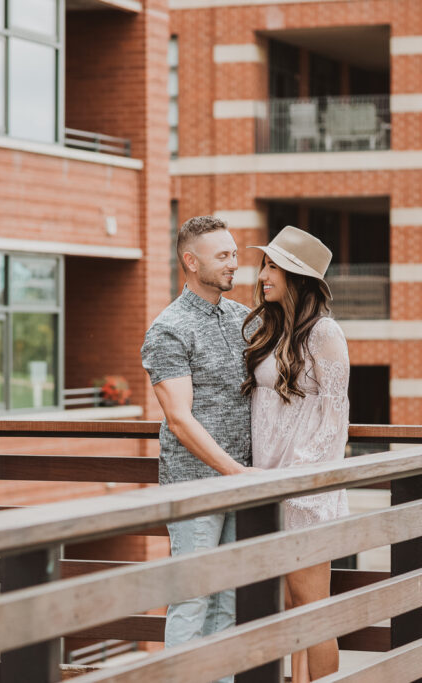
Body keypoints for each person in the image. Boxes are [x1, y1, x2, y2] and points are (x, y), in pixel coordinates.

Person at [140, 215, 258, 681]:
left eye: (234, 254)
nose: (234, 264)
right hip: (195, 485)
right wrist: (235, 471)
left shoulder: (242, 317)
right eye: (222, 256)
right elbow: (179, 418)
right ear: (191, 262)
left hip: (241, 481)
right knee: (192, 598)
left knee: (228, 598)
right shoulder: (168, 328)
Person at [242, 225, 350, 682]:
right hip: (268, 484)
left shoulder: (324, 333)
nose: (262, 275)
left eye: (272, 267)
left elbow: (334, 419)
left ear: (297, 277)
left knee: (312, 608)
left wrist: (299, 480)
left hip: (304, 490)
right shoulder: (269, 329)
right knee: (289, 606)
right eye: (264, 265)